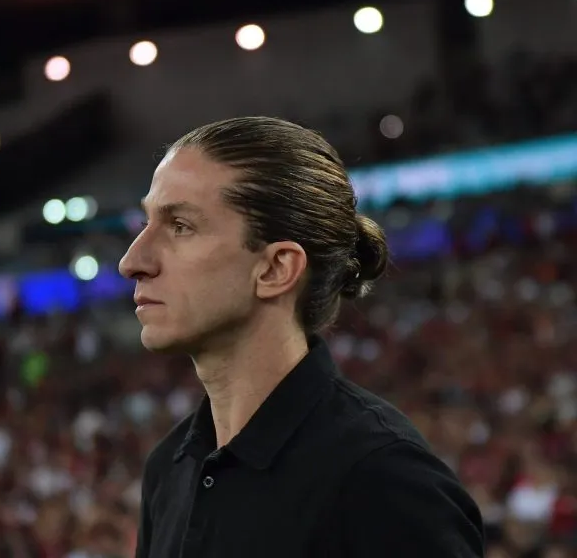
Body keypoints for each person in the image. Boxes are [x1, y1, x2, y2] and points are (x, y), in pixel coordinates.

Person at [119, 117, 484, 557]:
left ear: (276, 269)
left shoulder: (382, 477)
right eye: (146, 222)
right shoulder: (169, 467)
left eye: (180, 225)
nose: (132, 260)